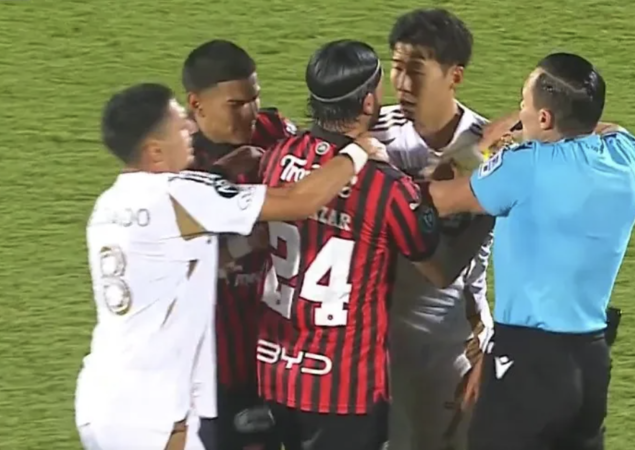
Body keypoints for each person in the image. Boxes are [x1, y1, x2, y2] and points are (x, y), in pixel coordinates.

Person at [75, 82, 381, 450]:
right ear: (155, 152)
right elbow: (298, 200)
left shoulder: (108, 205)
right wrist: (357, 152)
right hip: (152, 406)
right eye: (180, 124)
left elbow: (176, 266)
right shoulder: (179, 194)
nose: (191, 127)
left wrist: (245, 244)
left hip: (102, 394)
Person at [255, 39, 493, 450]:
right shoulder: (385, 187)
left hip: (274, 370)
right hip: (342, 386)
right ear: (368, 102)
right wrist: (488, 206)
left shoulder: (277, 157)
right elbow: (440, 271)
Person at [428, 53, 635, 450]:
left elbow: (438, 201)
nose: (519, 112)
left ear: (545, 118)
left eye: (524, 104)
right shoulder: (626, 155)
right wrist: (537, 125)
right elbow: (611, 128)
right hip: (591, 361)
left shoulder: (524, 167)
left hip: (530, 360)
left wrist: (368, 166)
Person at [370, 9, 494, 450]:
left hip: (453, 345)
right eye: (396, 67)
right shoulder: (371, 135)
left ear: (454, 75)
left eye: (417, 70)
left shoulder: (487, 152)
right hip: (376, 343)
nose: (402, 83)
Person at [181, 39, 295, 450]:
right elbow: (171, 264)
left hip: (281, 350)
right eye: (236, 104)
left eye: (254, 99)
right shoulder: (178, 164)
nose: (250, 113)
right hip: (214, 361)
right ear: (197, 104)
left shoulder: (274, 131)